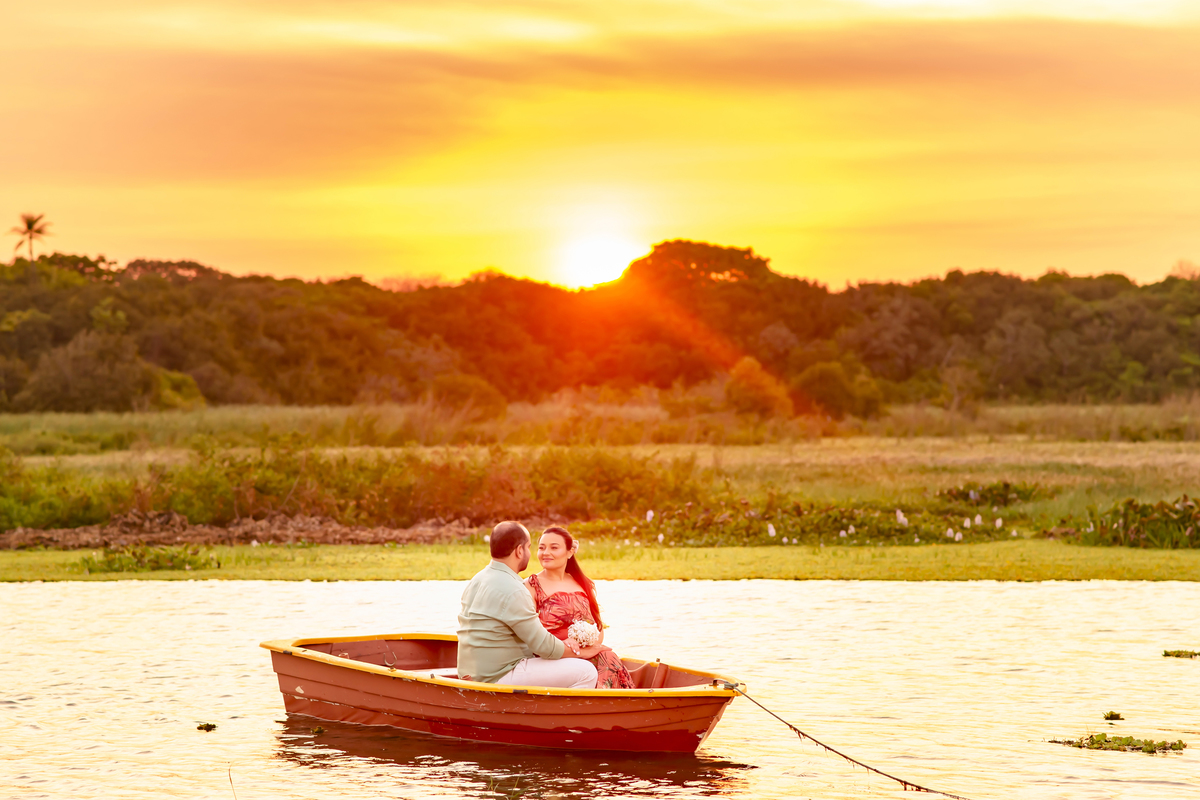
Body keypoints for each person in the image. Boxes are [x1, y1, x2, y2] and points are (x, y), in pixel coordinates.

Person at [457, 521, 601, 688]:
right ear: (519, 551)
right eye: (529, 547)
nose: (530, 553)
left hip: (473, 672)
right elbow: (544, 646)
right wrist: (582, 652)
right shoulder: (514, 589)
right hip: (500, 674)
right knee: (586, 671)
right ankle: (556, 714)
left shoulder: (478, 579)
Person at [526, 525, 635, 689]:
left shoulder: (581, 582)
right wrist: (568, 648)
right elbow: (528, 634)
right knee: (605, 658)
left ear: (570, 552)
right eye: (541, 548)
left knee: (607, 655)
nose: (546, 553)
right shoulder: (531, 586)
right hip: (553, 656)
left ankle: (612, 705)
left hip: (586, 653)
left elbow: (597, 627)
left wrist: (587, 646)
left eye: (554, 547)